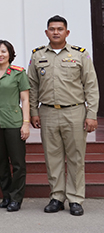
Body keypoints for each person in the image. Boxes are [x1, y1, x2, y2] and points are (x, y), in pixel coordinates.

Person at [28, 15, 99, 217]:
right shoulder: (37, 55)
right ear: (46, 32)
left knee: (76, 157)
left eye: (60, 29)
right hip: (48, 112)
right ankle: (57, 197)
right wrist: (33, 111)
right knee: (52, 157)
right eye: (52, 29)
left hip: (74, 111)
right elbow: (32, 86)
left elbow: (91, 86)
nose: (56, 32)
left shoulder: (80, 55)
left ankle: (75, 199)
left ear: (67, 32)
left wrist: (92, 114)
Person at [0, 40, 30, 212]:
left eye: (3, 51)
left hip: (14, 121)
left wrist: (25, 123)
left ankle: (16, 198)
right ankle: (6, 195)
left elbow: (25, 99)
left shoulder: (18, 73)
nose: (0, 54)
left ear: (10, 54)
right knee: (1, 160)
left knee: (18, 162)